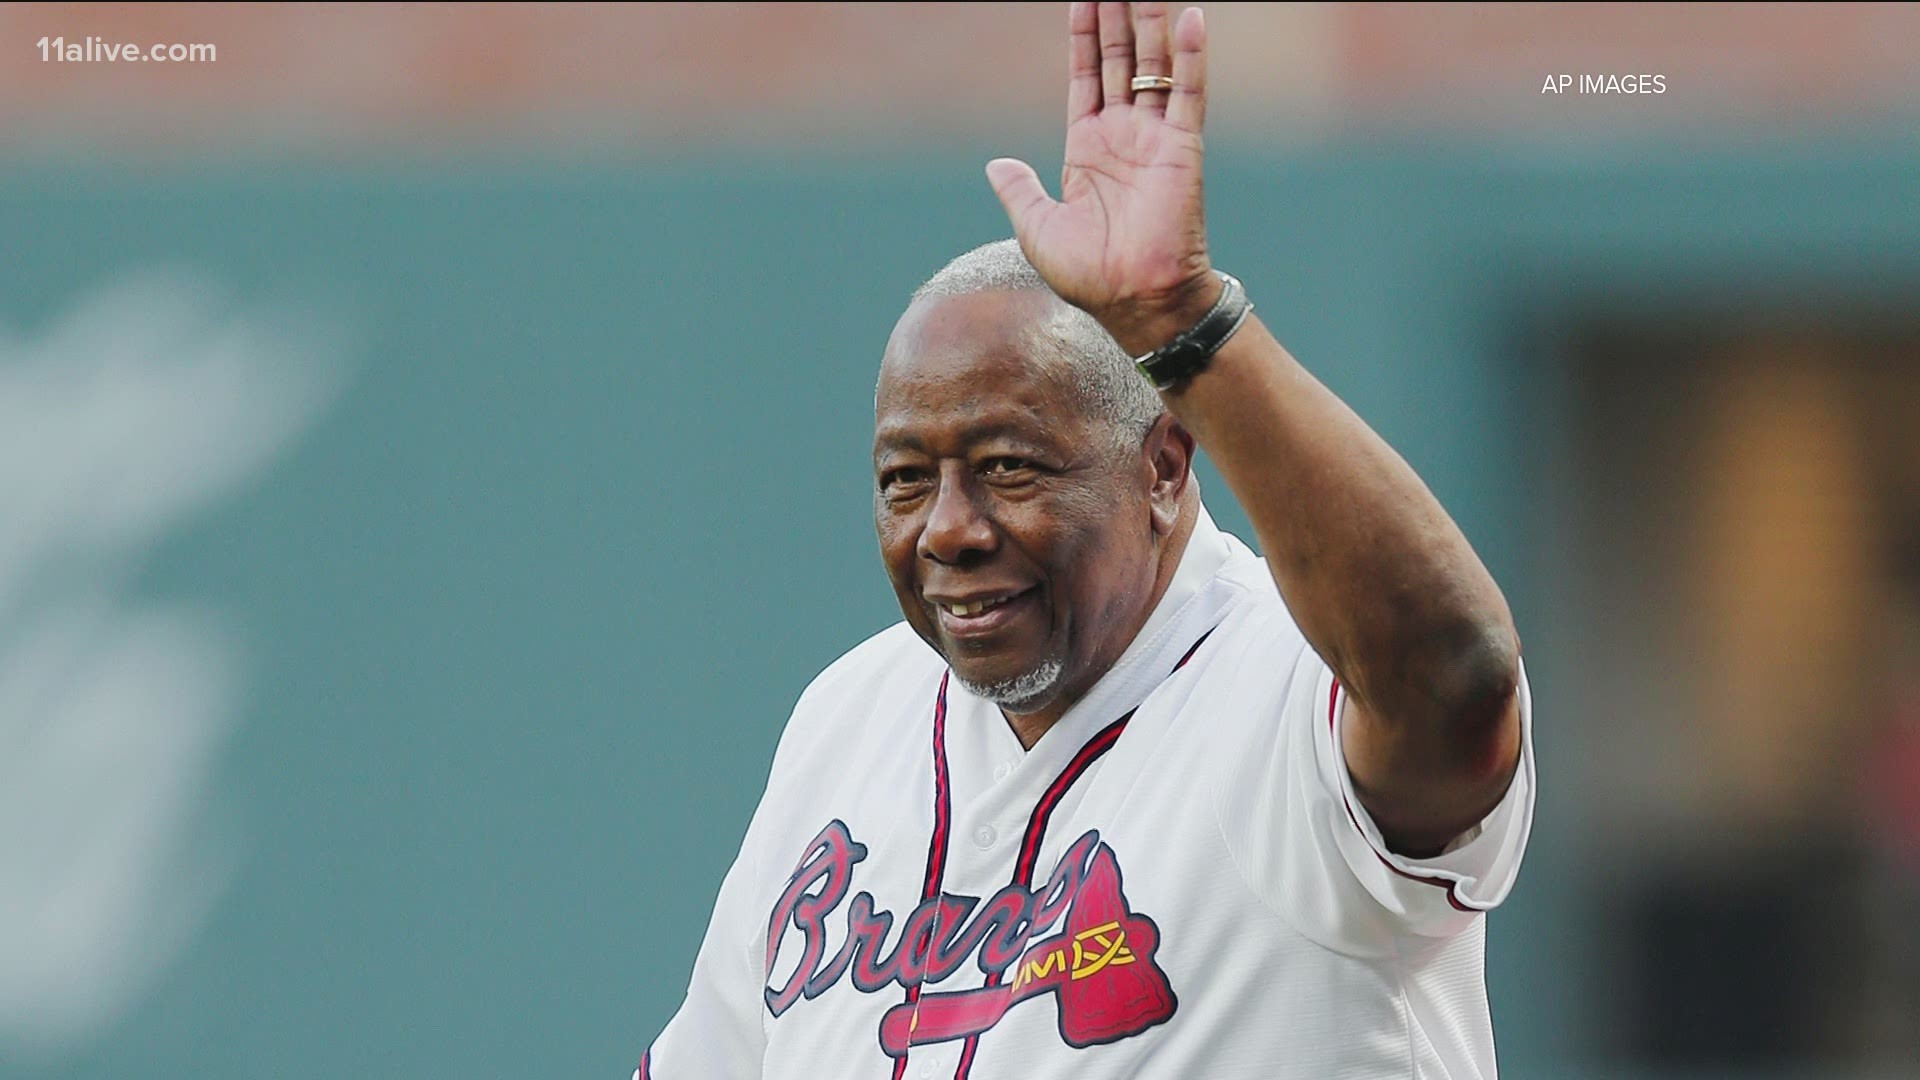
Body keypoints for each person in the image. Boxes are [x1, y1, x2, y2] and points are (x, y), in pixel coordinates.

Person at [633, 3, 1534, 1077]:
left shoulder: (1287, 695)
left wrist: (1181, 322)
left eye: (1008, 467)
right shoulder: (848, 718)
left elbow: (1459, 676)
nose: (950, 530)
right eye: (906, 482)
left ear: (1163, 469)